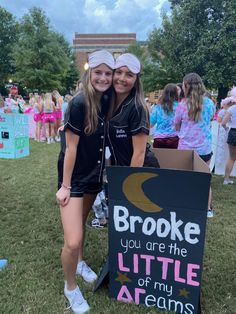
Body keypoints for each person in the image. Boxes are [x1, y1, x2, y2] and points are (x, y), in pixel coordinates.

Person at [56, 50, 114, 314]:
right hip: (75, 178)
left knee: (81, 221)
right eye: (98, 72)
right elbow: (70, 148)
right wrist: (65, 185)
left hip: (94, 175)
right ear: (89, 73)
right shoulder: (79, 103)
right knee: (73, 240)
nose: (103, 77)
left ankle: (79, 263)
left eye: (108, 73)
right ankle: (70, 287)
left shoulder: (108, 100)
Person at [174, 73, 215, 218]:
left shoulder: (182, 105)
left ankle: (186, 206)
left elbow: (176, 125)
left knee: (184, 180)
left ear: (186, 86)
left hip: (185, 148)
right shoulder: (210, 103)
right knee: (205, 179)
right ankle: (207, 209)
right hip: (205, 147)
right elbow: (210, 118)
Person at [107, 53, 150, 167]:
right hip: (116, 169)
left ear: (136, 80)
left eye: (129, 75)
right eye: (119, 72)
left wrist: (129, 183)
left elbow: (139, 153)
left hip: (134, 172)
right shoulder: (106, 102)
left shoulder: (138, 108)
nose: (122, 78)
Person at [150, 83, 179, 149]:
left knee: (159, 159)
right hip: (174, 138)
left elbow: (151, 124)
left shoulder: (158, 107)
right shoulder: (179, 107)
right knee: (174, 159)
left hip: (159, 138)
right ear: (176, 93)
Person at [221, 92, 236, 185]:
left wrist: (227, 128)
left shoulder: (232, 109)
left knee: (231, 158)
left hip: (233, 132)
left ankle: (226, 179)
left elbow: (223, 123)